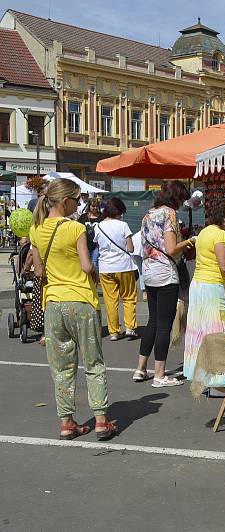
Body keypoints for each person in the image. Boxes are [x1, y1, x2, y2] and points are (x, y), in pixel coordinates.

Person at [29, 178, 116, 440]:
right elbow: (87, 266)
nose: (79, 205)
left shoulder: (37, 230)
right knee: (93, 363)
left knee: (62, 367)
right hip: (81, 301)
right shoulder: (75, 229)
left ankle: (66, 422)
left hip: (53, 304)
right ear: (65, 201)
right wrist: (97, 275)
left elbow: (38, 270)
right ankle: (101, 420)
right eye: (77, 200)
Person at [184, 201, 225, 390]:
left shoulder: (205, 232)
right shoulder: (220, 234)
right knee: (217, 331)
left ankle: (201, 372)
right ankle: (219, 376)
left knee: (200, 331)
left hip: (198, 285)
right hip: (212, 287)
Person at [135, 181, 193, 387]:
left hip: (149, 272)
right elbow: (171, 248)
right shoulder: (169, 215)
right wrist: (188, 241)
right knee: (164, 325)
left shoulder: (147, 215)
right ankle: (159, 375)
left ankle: (140, 368)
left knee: (153, 321)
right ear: (176, 197)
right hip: (165, 273)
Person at [94, 197, 138, 341]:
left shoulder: (98, 226)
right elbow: (130, 248)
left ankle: (114, 331)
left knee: (110, 300)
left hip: (105, 267)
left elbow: (98, 246)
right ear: (119, 211)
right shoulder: (123, 225)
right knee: (129, 297)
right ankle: (130, 327)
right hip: (124, 266)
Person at [79, 198, 102, 272]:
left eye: (96, 206)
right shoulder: (83, 217)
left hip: (96, 245)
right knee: (86, 263)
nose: (95, 208)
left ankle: (95, 281)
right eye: (93, 206)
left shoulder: (102, 217)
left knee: (95, 263)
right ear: (89, 206)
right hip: (85, 244)